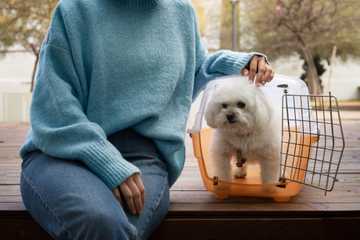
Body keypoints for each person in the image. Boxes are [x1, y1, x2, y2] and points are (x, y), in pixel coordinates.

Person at [18, 0, 274, 239]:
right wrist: (108, 162)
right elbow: (54, 107)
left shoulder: (180, 11)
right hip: (63, 153)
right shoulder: (74, 10)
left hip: (144, 159)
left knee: (119, 228)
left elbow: (193, 70)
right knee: (100, 223)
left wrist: (242, 61)